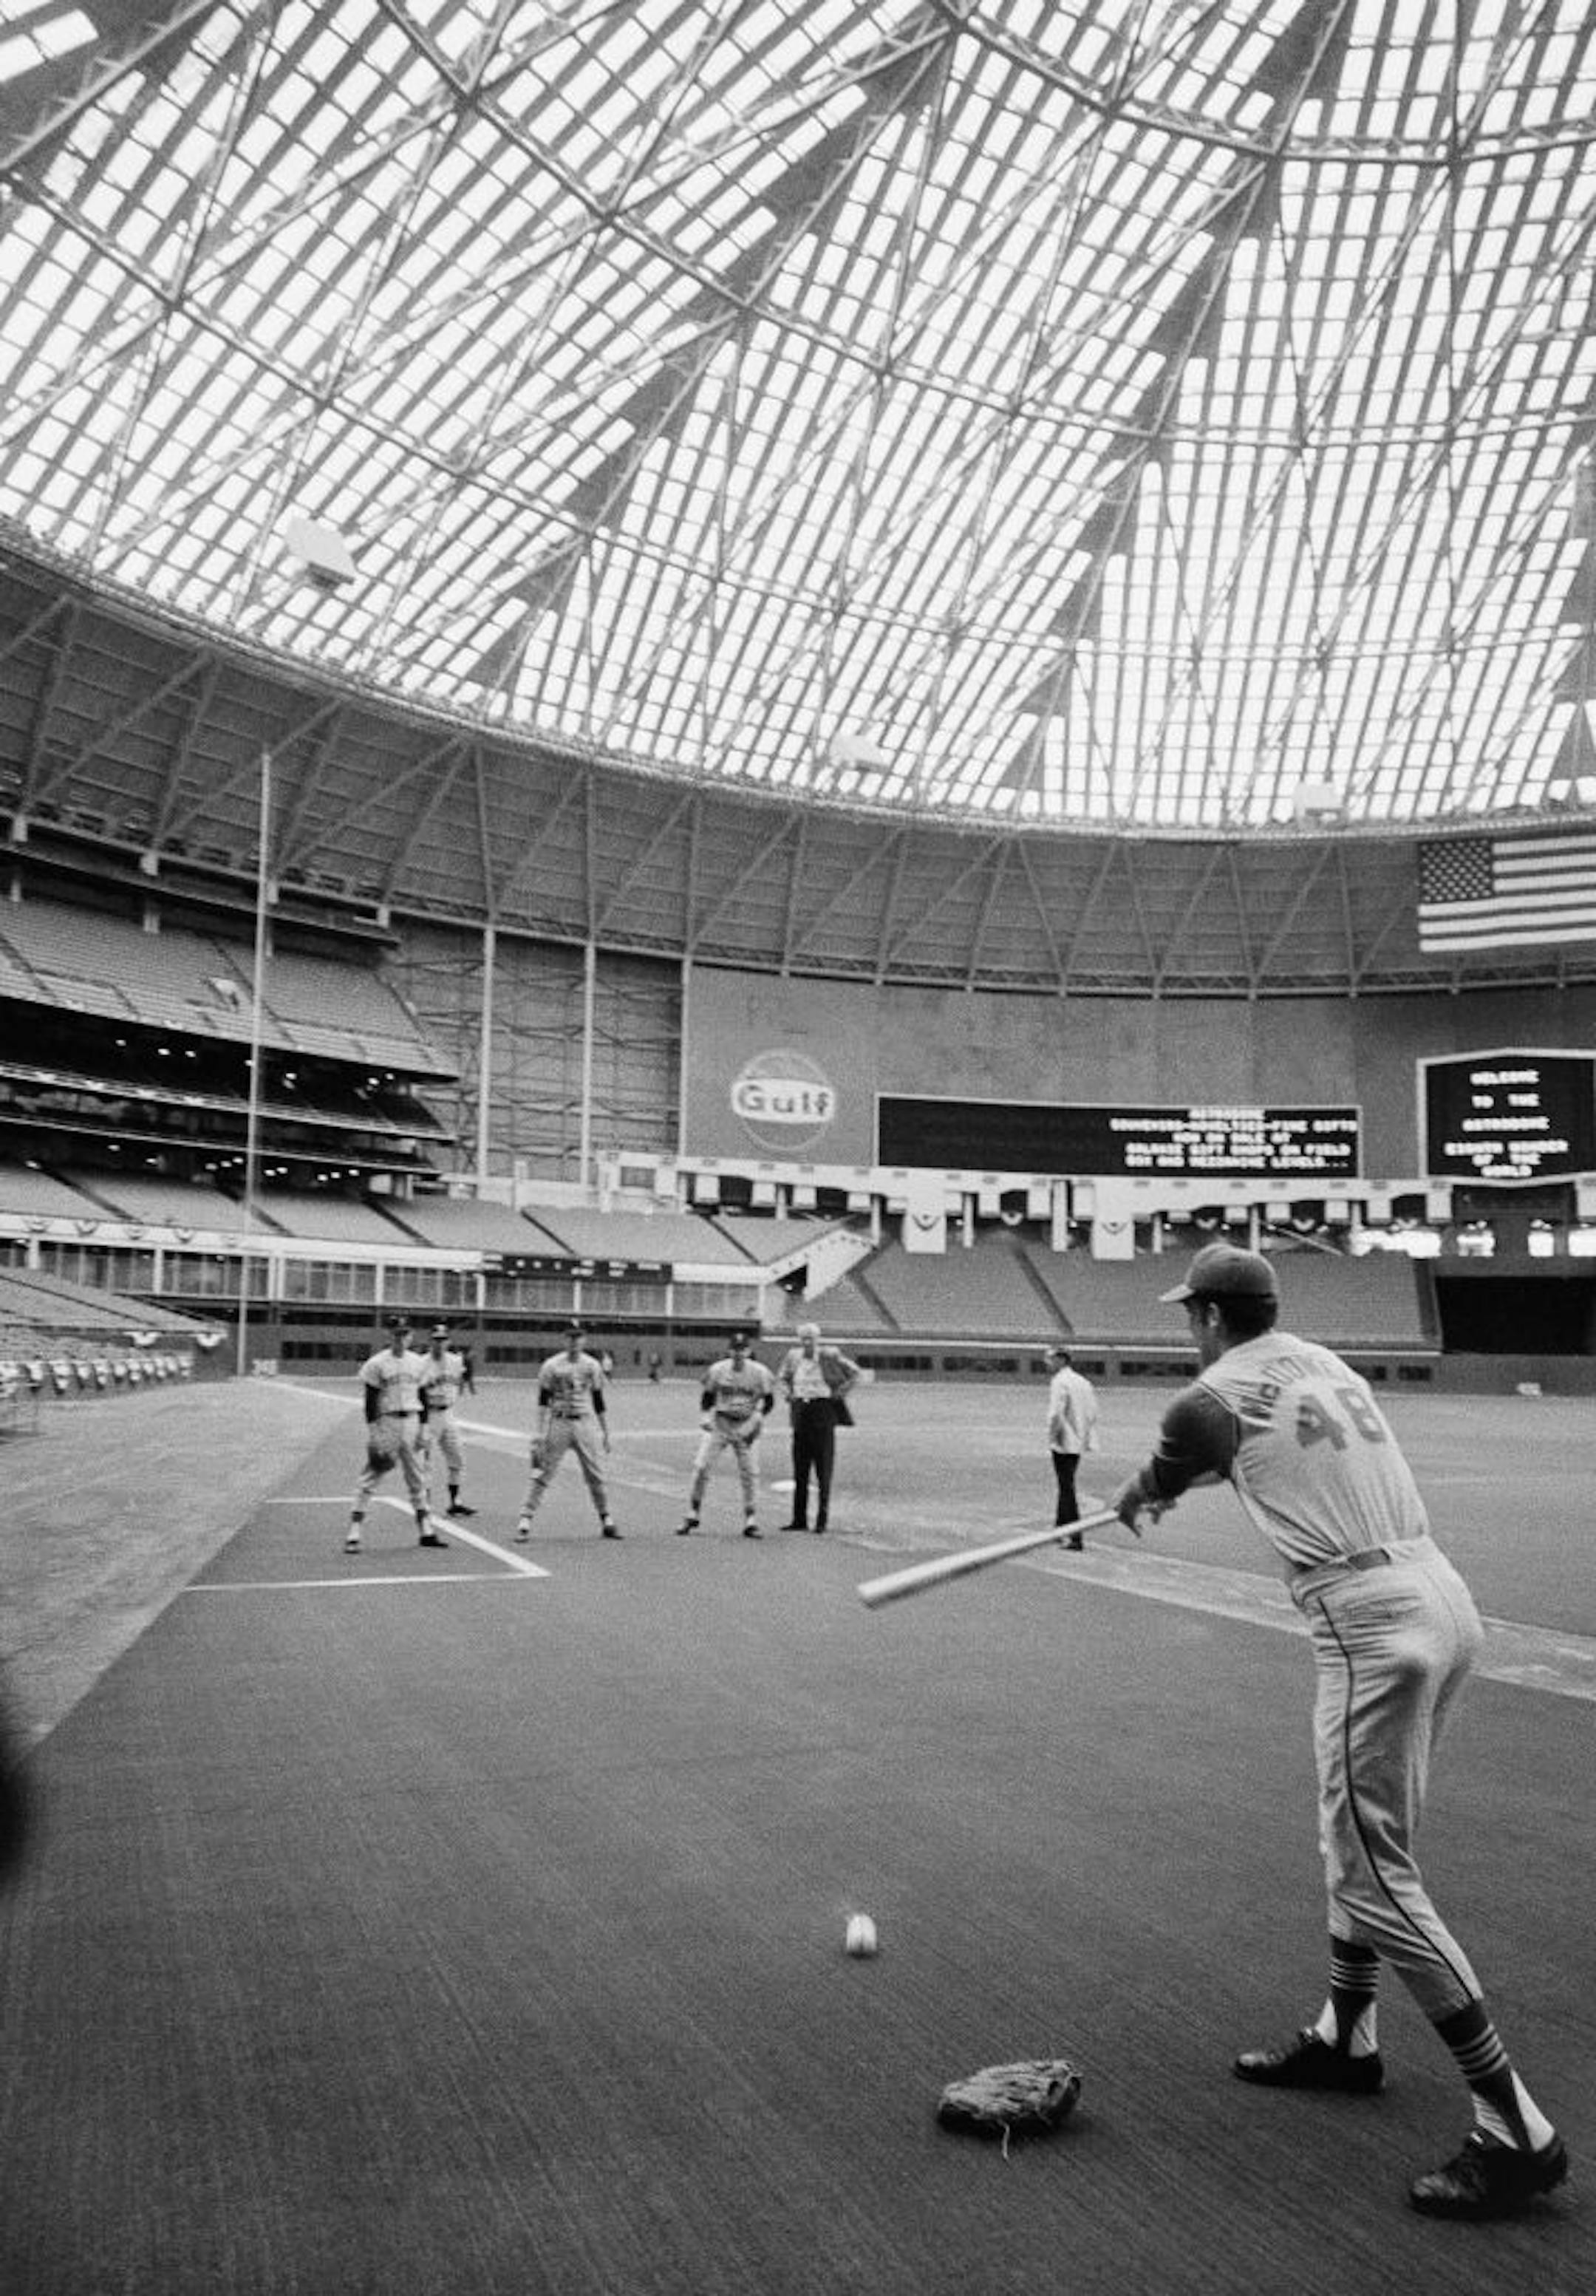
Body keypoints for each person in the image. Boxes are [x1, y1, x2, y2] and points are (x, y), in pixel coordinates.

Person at [1111, 1241, 1566, 2223]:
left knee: (1376, 1873)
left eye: (1191, 1314)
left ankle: (1514, 2125)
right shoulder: (1326, 1360)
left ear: (1215, 1318)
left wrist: (1137, 1493)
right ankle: (1347, 2034)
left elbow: (1170, 1466)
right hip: (1443, 1601)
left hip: (1368, 1623)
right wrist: (1159, 1482)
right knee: (1352, 1839)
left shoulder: (1207, 1395)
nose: (1188, 1329)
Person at [346, 1315, 448, 1553]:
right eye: (396, 1334)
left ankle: (426, 1530)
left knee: (418, 1477)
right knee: (373, 1474)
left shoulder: (418, 1363)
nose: (401, 1339)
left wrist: (424, 1428)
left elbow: (422, 1395)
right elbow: (370, 1401)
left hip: (412, 1421)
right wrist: (374, 1433)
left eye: (405, 1334)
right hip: (388, 1421)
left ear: (411, 1336)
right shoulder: (377, 1363)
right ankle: (354, 1531)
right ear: (389, 1336)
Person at [516, 1321, 619, 1541]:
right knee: (543, 1470)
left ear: (584, 1340)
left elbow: (598, 1400)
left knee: (595, 1473)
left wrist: (605, 1431)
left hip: (583, 1422)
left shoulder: (591, 1365)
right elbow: (543, 1401)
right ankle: (526, 1517)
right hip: (560, 1421)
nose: (574, 1342)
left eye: (578, 1337)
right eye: (570, 1337)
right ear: (565, 1339)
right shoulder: (552, 1366)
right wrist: (540, 1432)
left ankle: (606, 1519)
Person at [677, 1331, 776, 1539]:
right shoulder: (718, 1370)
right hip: (721, 1421)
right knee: (702, 1467)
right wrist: (705, 1416)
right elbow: (707, 1396)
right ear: (729, 1350)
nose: (738, 1354)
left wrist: (757, 1418)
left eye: (742, 1350)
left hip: (746, 1423)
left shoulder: (759, 1372)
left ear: (748, 1351)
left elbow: (769, 1401)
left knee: (749, 1472)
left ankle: (751, 1519)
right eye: (735, 1349)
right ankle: (693, 1512)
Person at [775, 1321, 862, 1534]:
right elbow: (782, 1378)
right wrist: (788, 1394)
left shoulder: (829, 1355)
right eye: (803, 1338)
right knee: (800, 1468)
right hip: (801, 1411)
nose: (807, 1343)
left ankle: (821, 1520)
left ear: (817, 1339)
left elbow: (855, 1372)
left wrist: (840, 1393)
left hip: (823, 1410)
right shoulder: (793, 1357)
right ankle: (799, 1519)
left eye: (810, 1338)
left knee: (823, 1468)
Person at [417, 1321, 477, 1518]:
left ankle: (455, 1501)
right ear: (430, 1341)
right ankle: (424, 1503)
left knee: (457, 1457)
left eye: (443, 1340)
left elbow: (463, 1376)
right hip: (428, 1415)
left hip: (448, 1413)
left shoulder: (455, 1361)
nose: (439, 1344)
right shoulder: (420, 1363)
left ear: (448, 1341)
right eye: (436, 1340)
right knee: (425, 1462)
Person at [1043, 1343, 1099, 1547]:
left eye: (1050, 1359)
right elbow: (1093, 1412)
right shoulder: (1083, 1382)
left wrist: (1052, 1436)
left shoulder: (1060, 1382)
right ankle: (1060, 1528)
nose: (1047, 1363)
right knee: (1066, 1484)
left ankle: (1076, 1536)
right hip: (1079, 1440)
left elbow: (1056, 1414)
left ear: (1061, 1360)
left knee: (1067, 1487)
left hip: (1063, 1441)